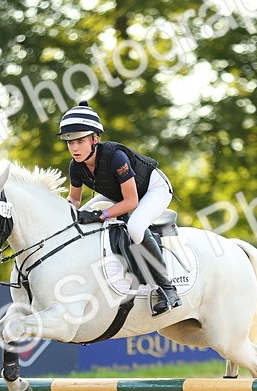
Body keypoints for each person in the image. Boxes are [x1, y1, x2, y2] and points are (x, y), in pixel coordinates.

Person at [59, 100, 181, 315]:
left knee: (134, 227)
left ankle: (168, 288)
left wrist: (101, 215)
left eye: (80, 141)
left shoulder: (116, 157)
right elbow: (74, 200)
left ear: (95, 139)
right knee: (77, 219)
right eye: (70, 143)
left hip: (153, 190)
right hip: (118, 194)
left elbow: (131, 203)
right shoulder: (75, 166)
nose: (74, 148)